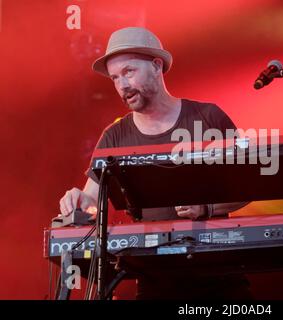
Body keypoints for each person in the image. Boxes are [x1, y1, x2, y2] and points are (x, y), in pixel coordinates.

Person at [59, 27, 251, 299]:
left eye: (128, 72)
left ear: (156, 65)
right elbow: (91, 201)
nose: (122, 85)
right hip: (155, 282)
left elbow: (248, 184)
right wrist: (78, 200)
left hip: (219, 277)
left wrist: (206, 207)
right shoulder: (114, 136)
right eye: (115, 78)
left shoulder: (208, 117)